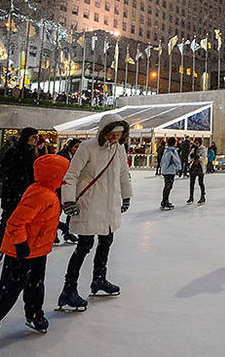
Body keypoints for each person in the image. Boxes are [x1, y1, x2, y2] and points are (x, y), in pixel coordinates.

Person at [0, 155, 70, 349]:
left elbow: (41, 219)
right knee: (11, 290)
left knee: (36, 285)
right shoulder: (40, 194)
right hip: (23, 251)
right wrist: (20, 245)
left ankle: (34, 314)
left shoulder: (47, 192)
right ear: (54, 174)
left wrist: (59, 226)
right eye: (64, 174)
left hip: (38, 250)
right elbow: (15, 222)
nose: (67, 177)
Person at [58, 113, 132, 311]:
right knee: (84, 245)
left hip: (109, 205)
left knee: (106, 240)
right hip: (90, 203)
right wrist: (68, 200)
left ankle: (99, 279)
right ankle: (68, 289)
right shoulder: (87, 147)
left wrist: (126, 196)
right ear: (104, 131)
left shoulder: (119, 148)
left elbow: (124, 174)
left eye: (119, 134)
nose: (115, 138)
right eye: (112, 134)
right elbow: (71, 176)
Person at [0, 128, 40, 263]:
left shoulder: (34, 153)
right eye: (34, 137)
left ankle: (18, 248)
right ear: (26, 137)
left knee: (24, 223)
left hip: (27, 194)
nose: (36, 140)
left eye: (37, 137)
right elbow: (2, 168)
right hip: (13, 192)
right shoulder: (14, 152)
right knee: (8, 221)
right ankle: (1, 247)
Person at [54, 139, 82, 244]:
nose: (77, 149)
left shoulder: (79, 157)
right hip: (60, 187)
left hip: (72, 187)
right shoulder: (61, 156)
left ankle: (68, 232)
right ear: (70, 147)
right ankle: (54, 233)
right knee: (57, 211)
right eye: (76, 147)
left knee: (70, 211)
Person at [159, 137, 181, 210]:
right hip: (169, 171)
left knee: (167, 186)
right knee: (168, 186)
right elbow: (176, 160)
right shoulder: (172, 151)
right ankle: (165, 201)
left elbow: (163, 160)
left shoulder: (167, 150)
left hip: (166, 170)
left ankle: (164, 200)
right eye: (176, 141)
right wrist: (179, 168)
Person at [186, 138, 207, 205]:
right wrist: (192, 157)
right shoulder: (193, 148)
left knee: (201, 182)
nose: (196, 144)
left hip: (200, 167)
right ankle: (191, 197)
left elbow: (203, 157)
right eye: (196, 143)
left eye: (198, 143)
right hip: (193, 167)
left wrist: (198, 158)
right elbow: (189, 156)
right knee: (192, 183)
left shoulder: (203, 149)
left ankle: (202, 196)